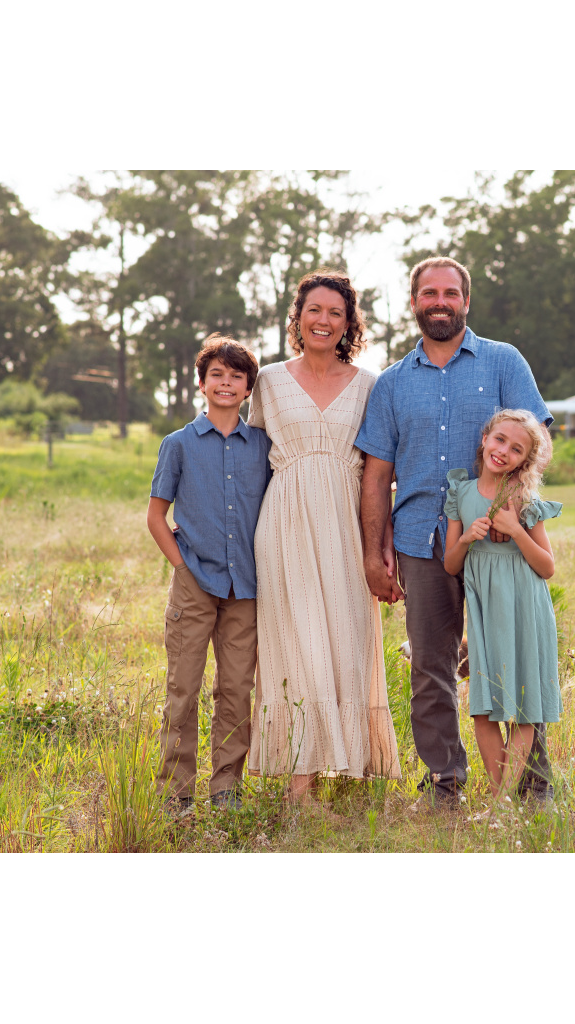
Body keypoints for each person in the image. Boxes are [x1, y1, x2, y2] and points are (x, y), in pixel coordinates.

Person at [356, 256, 553, 812]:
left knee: (513, 662)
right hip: (422, 541)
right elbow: (376, 474)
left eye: (449, 292)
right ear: (414, 301)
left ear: (465, 301)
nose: (438, 301)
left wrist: (512, 520)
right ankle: (445, 782)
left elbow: (532, 445)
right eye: (428, 293)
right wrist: (375, 552)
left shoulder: (503, 362)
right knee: (430, 668)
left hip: (499, 545)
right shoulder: (392, 383)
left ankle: (534, 785)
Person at [247, 269, 400, 808]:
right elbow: (248, 461)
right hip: (284, 520)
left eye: (336, 313)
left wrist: (381, 548)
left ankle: (351, 761)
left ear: (348, 323)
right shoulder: (267, 381)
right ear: (298, 316)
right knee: (294, 640)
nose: (324, 320)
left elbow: (382, 471)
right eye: (315, 309)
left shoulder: (370, 384)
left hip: (346, 521)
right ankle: (299, 779)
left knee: (349, 636)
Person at [147, 334, 272, 815]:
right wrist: (183, 567)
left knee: (236, 688)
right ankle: (175, 793)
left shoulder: (261, 444)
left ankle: (226, 790)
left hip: (246, 587)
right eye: (216, 375)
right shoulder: (177, 445)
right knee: (183, 687)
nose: (225, 383)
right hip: (194, 583)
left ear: (247, 389)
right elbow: (157, 515)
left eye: (236, 377)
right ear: (201, 383)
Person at [442, 410, 562, 803]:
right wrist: (464, 540)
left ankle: (500, 807)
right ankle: (499, 794)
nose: (503, 451)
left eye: (516, 449)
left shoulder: (524, 499)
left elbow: (547, 567)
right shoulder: (462, 492)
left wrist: (515, 531)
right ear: (484, 439)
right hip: (484, 608)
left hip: (525, 605)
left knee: (526, 706)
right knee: (483, 706)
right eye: (499, 440)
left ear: (524, 461)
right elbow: (450, 564)